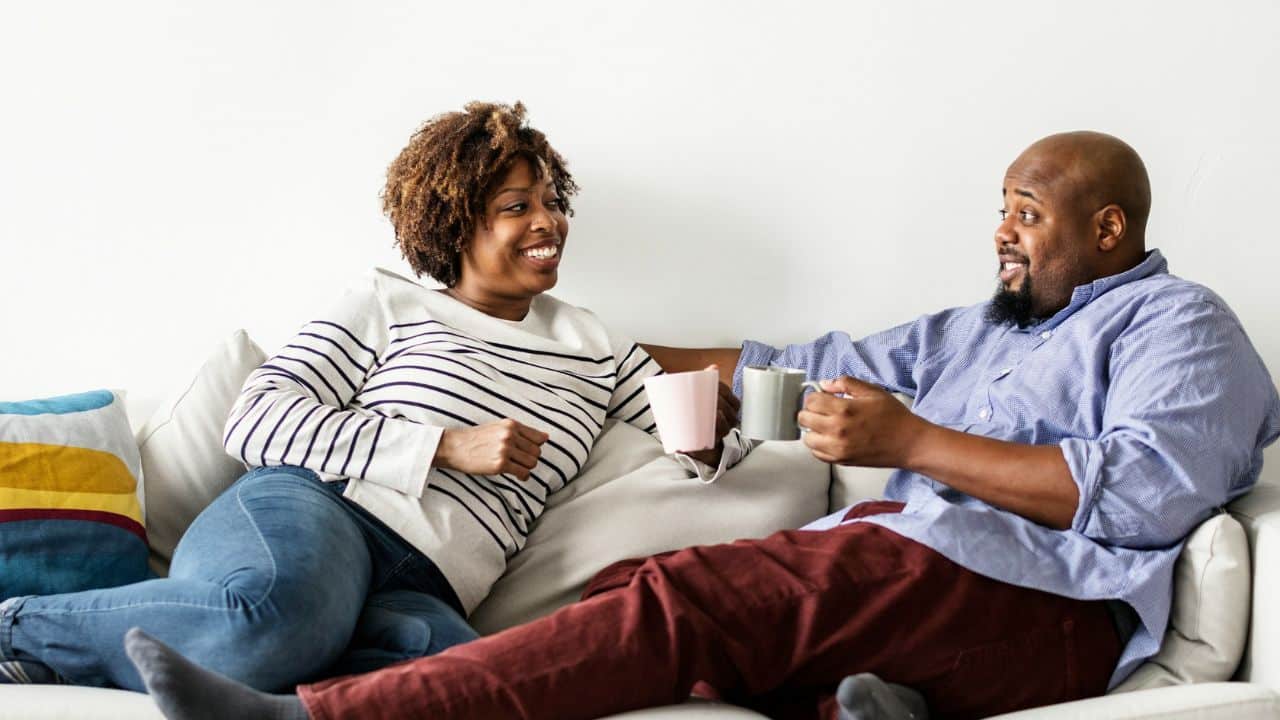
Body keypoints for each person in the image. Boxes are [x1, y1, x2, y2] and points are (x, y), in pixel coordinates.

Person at [123, 130, 1280, 720]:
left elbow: (1142, 489)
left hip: (1036, 596)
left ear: (1112, 227)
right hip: (928, 586)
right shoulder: (981, 330)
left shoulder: (1180, 325)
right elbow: (801, 364)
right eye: (1000, 213)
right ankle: (871, 706)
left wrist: (913, 446)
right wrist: (583, 342)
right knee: (679, 623)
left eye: (1025, 216)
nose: (1002, 236)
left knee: (680, 603)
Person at [0, 101, 746, 692]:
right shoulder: (387, 303)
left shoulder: (599, 349)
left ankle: (252, 693)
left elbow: (692, 438)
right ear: (457, 221)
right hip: (314, 512)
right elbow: (254, 420)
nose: (548, 221)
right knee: (273, 621)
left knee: (477, 694)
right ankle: (16, 630)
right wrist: (445, 446)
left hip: (429, 582)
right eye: (516, 206)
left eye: (552, 201)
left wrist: (717, 438)